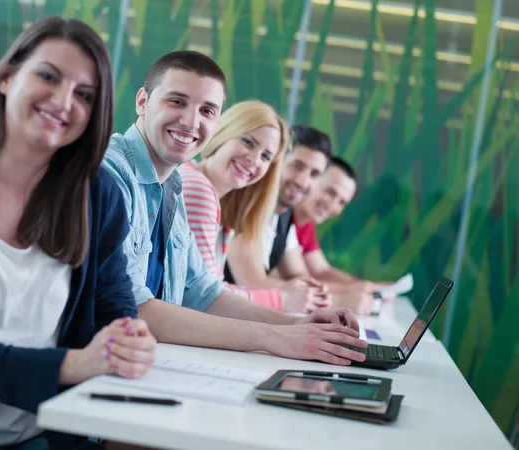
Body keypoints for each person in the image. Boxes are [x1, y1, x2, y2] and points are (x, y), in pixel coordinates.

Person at [0, 17, 156, 449]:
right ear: (7, 77)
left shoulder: (96, 194)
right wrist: (71, 364)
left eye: (85, 95)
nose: (63, 101)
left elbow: (114, 304)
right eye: (48, 76)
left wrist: (127, 338)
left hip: (47, 433)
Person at [103, 50, 368, 367]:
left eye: (207, 111)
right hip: (92, 377)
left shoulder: (173, 184)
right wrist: (275, 337)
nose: (191, 121)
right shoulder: (112, 173)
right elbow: (134, 307)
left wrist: (299, 325)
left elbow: (203, 292)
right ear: (142, 102)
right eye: (176, 101)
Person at [179, 100, 329, 313]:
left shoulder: (218, 201)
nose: (254, 160)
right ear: (224, 132)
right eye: (248, 142)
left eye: (266, 156)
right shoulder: (199, 190)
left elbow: (211, 289)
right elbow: (206, 298)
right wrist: (280, 300)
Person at [224, 125, 332, 294]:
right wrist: (336, 299)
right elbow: (253, 284)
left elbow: (299, 276)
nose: (303, 182)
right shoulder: (245, 204)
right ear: (276, 162)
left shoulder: (284, 216)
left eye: (314, 174)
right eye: (297, 166)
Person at [293, 156, 393, 315]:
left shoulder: (306, 224)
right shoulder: (283, 217)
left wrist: (365, 287)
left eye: (341, 203)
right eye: (330, 192)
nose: (332, 206)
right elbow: (289, 279)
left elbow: (321, 270)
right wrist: (347, 292)